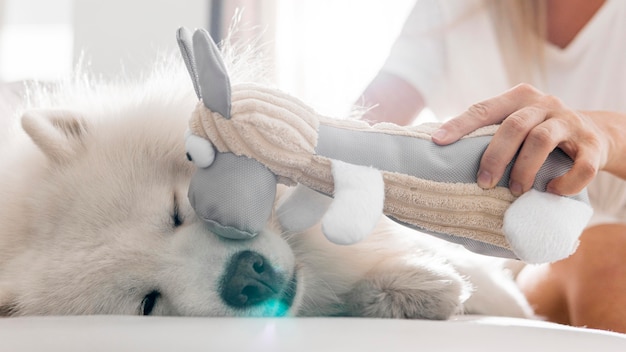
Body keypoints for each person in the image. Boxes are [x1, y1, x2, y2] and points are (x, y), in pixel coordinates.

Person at [358, 0, 626, 333]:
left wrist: (609, 135)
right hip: (519, 257)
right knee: (608, 259)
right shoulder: (449, 12)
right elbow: (358, 140)